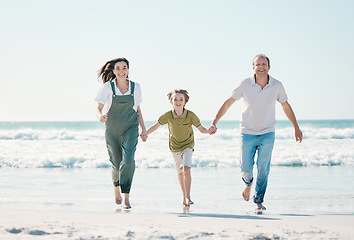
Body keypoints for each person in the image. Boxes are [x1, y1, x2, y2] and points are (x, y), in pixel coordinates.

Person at [209, 54, 303, 212]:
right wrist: (214, 122)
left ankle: (258, 201)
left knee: (263, 168)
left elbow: (286, 106)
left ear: (269, 67)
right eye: (258, 64)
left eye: (264, 64)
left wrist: (296, 127)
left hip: (268, 132)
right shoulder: (245, 84)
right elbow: (228, 103)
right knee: (246, 168)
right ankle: (248, 184)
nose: (261, 67)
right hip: (247, 132)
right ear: (253, 67)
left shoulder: (277, 85)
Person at [143, 89, 210, 206]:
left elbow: (201, 128)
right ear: (171, 101)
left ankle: (188, 197)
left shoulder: (190, 115)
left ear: (185, 102)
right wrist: (145, 133)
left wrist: (209, 131)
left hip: (188, 145)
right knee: (180, 173)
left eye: (181, 99)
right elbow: (156, 126)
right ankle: (184, 196)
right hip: (175, 148)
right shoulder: (168, 115)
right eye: (175, 99)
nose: (178, 102)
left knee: (186, 169)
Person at [95, 57, 147, 209]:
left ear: (128, 70)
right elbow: (98, 109)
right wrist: (100, 117)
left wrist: (143, 129)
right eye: (118, 68)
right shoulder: (107, 87)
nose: (121, 71)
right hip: (112, 129)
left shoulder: (135, 87)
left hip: (130, 128)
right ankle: (116, 187)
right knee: (116, 163)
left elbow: (138, 110)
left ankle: (127, 196)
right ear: (113, 71)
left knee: (129, 160)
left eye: (124, 68)